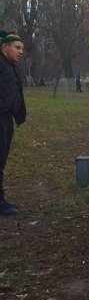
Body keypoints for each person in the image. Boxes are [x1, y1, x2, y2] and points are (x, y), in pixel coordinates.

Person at [0, 31, 27, 216]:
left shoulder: (11, 66)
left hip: (6, 121)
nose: (21, 51)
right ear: (4, 47)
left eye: (22, 48)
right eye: (17, 47)